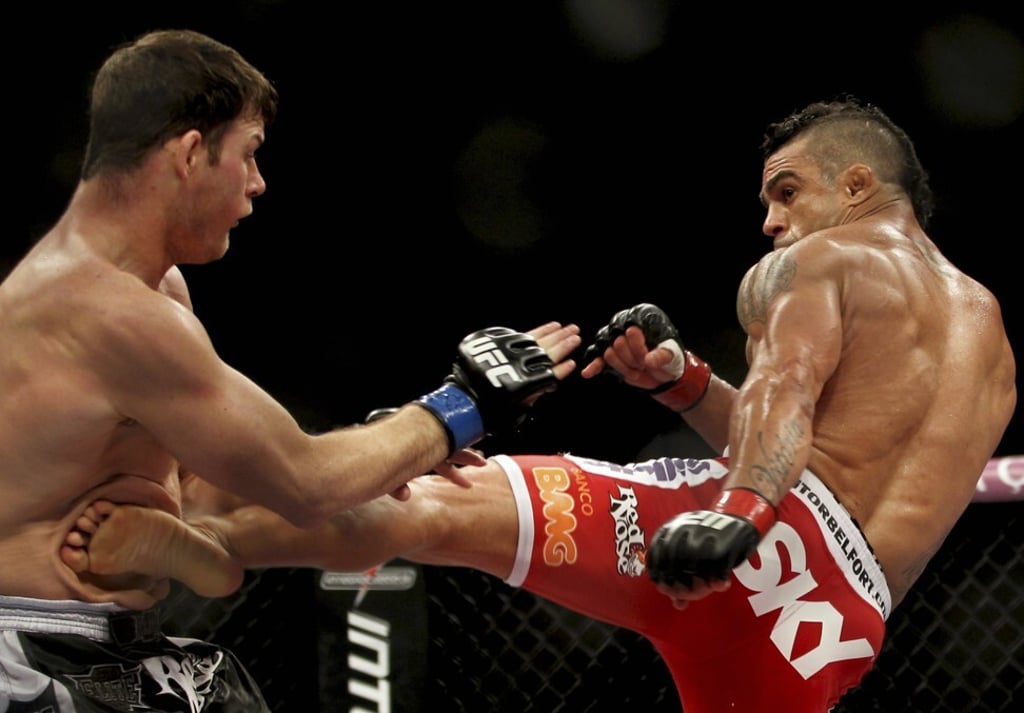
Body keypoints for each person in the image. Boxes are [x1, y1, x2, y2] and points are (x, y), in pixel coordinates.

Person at [59, 96, 1016, 712]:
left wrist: (736, 516)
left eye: (787, 190)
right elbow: (820, 454)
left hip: (756, 538)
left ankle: (196, 526)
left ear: (859, 183)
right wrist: (683, 384)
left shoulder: (819, 260)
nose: (771, 218)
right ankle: (203, 531)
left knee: (425, 507)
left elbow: (786, 399)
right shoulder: (992, 342)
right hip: (834, 632)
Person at [0, 28, 583, 712]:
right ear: (191, 153)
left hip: (108, 646)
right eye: (248, 154)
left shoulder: (155, 292)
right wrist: (462, 406)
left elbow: (217, 484)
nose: (257, 183)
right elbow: (305, 481)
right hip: (36, 656)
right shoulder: (106, 311)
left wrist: (394, 449)